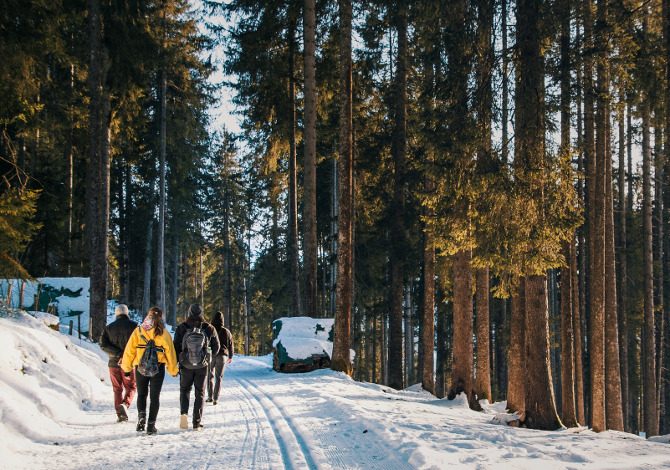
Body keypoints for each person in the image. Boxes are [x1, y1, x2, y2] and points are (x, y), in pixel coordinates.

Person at [121, 306, 178, 435]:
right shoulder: (164, 333)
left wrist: (126, 368)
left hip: (140, 368)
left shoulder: (138, 331)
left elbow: (129, 350)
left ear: (148, 315)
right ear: (161, 317)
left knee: (141, 394)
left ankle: (141, 419)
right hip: (158, 368)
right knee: (154, 397)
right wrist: (173, 370)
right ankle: (151, 426)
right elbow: (171, 354)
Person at [174, 304, 220, 431]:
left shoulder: (182, 327)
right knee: (200, 393)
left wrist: (180, 359)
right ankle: (196, 422)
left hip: (185, 365)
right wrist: (208, 357)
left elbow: (175, 346)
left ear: (189, 313)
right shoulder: (209, 328)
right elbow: (217, 347)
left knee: (184, 390)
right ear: (201, 313)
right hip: (202, 365)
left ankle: (184, 414)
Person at [99, 304, 137, 422]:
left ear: (116, 313)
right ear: (127, 313)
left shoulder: (109, 328)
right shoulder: (135, 326)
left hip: (113, 364)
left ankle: (119, 413)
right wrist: (126, 355)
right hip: (129, 363)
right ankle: (125, 405)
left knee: (117, 389)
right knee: (131, 386)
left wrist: (117, 353)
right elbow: (140, 344)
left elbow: (103, 345)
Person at [207, 311, 234, 405]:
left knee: (209, 376)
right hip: (222, 356)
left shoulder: (210, 329)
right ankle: (215, 399)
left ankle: (209, 397)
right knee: (218, 377)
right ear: (222, 320)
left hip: (211, 354)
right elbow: (231, 345)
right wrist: (230, 356)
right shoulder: (226, 331)